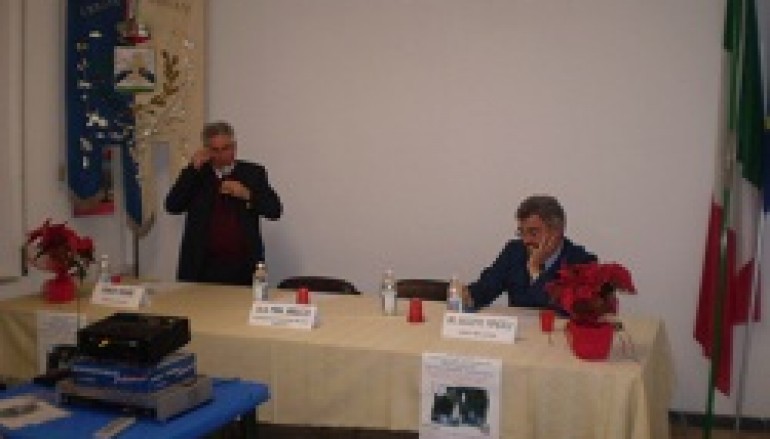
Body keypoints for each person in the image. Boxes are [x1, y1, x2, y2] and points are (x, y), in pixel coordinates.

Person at [165, 121, 282, 285]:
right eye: (215, 150)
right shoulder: (196, 174)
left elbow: (274, 210)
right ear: (206, 150)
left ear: (234, 147)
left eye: (226, 148)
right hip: (201, 267)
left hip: (243, 267)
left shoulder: (253, 173)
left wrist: (247, 194)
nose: (221, 155)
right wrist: (192, 169)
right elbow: (172, 206)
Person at [463, 194, 596, 312]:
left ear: (556, 232)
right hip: (520, 330)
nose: (526, 240)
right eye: (522, 232)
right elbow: (485, 288)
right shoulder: (514, 251)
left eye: (533, 233)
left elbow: (569, 309)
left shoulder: (581, 262)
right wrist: (465, 295)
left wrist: (535, 270)